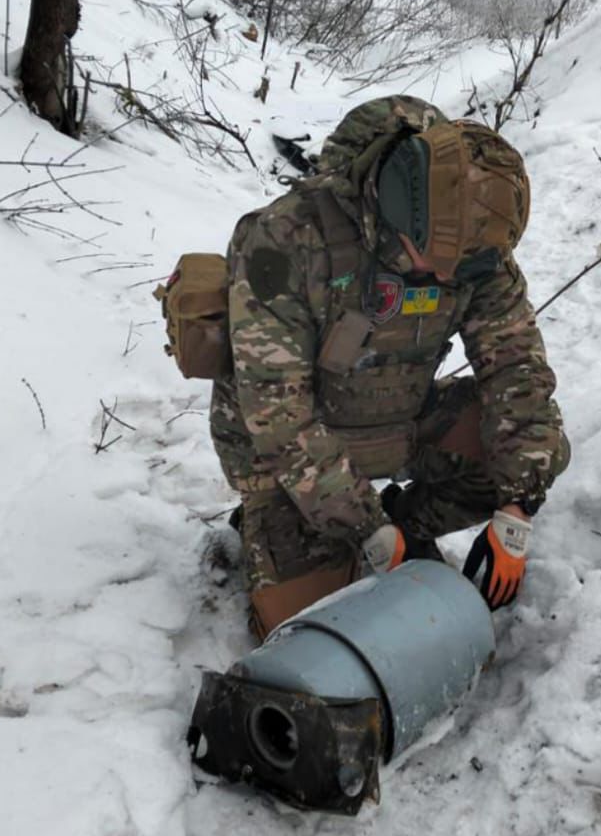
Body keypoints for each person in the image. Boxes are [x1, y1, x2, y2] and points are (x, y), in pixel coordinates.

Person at [209, 95, 569, 639]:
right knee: (314, 635)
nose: (449, 281)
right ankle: (303, 529)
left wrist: (516, 509)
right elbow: (278, 417)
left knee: (530, 449)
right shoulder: (288, 241)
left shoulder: (470, 246)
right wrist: (365, 525)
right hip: (288, 458)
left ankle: (404, 528)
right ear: (403, 215)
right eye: (437, 267)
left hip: (393, 419)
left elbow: (518, 369)